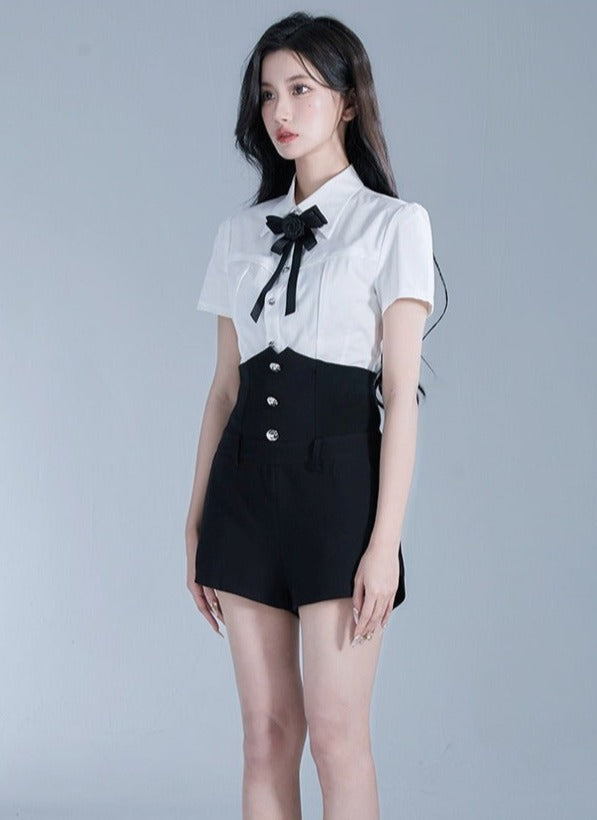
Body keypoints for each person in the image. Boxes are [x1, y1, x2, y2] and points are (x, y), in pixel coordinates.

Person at [185, 11, 446, 820]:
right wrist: (196, 522)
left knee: (337, 738)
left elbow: (400, 395)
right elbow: (223, 391)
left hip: (338, 500)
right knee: (265, 736)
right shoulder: (239, 233)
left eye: (301, 89)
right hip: (243, 498)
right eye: (268, 94)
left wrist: (384, 545)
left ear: (347, 101)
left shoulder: (394, 225)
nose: (281, 111)